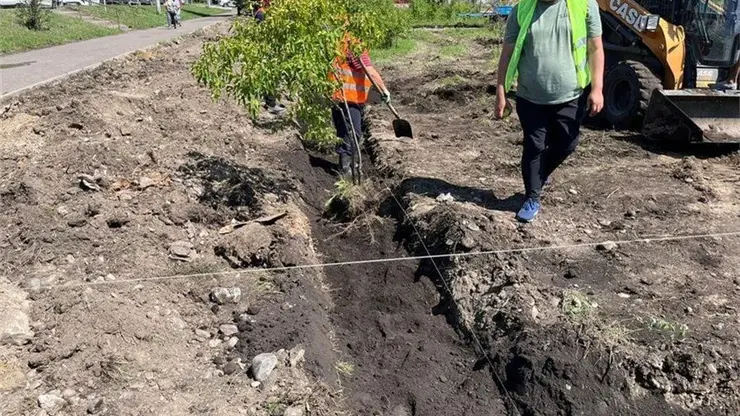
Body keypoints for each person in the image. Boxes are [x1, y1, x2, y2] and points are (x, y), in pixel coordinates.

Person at [495, 0, 604, 222]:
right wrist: (500, 92)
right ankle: (532, 196)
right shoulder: (521, 10)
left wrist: (597, 88)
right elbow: (506, 54)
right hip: (530, 96)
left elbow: (596, 48)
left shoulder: (584, 5)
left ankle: (539, 175)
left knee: (568, 143)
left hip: (570, 95)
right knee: (534, 145)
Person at [329, 34, 390, 175]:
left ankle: (347, 164)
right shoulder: (355, 43)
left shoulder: (339, 39)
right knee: (353, 132)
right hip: (348, 97)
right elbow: (367, 69)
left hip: (338, 95)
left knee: (344, 131)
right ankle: (346, 169)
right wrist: (383, 89)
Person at [253, 1, 286, 115]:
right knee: (270, 76)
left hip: (268, 50)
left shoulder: (264, 13)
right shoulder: (261, 14)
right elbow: (263, 35)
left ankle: (271, 102)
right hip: (266, 50)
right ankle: (270, 104)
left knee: (272, 76)